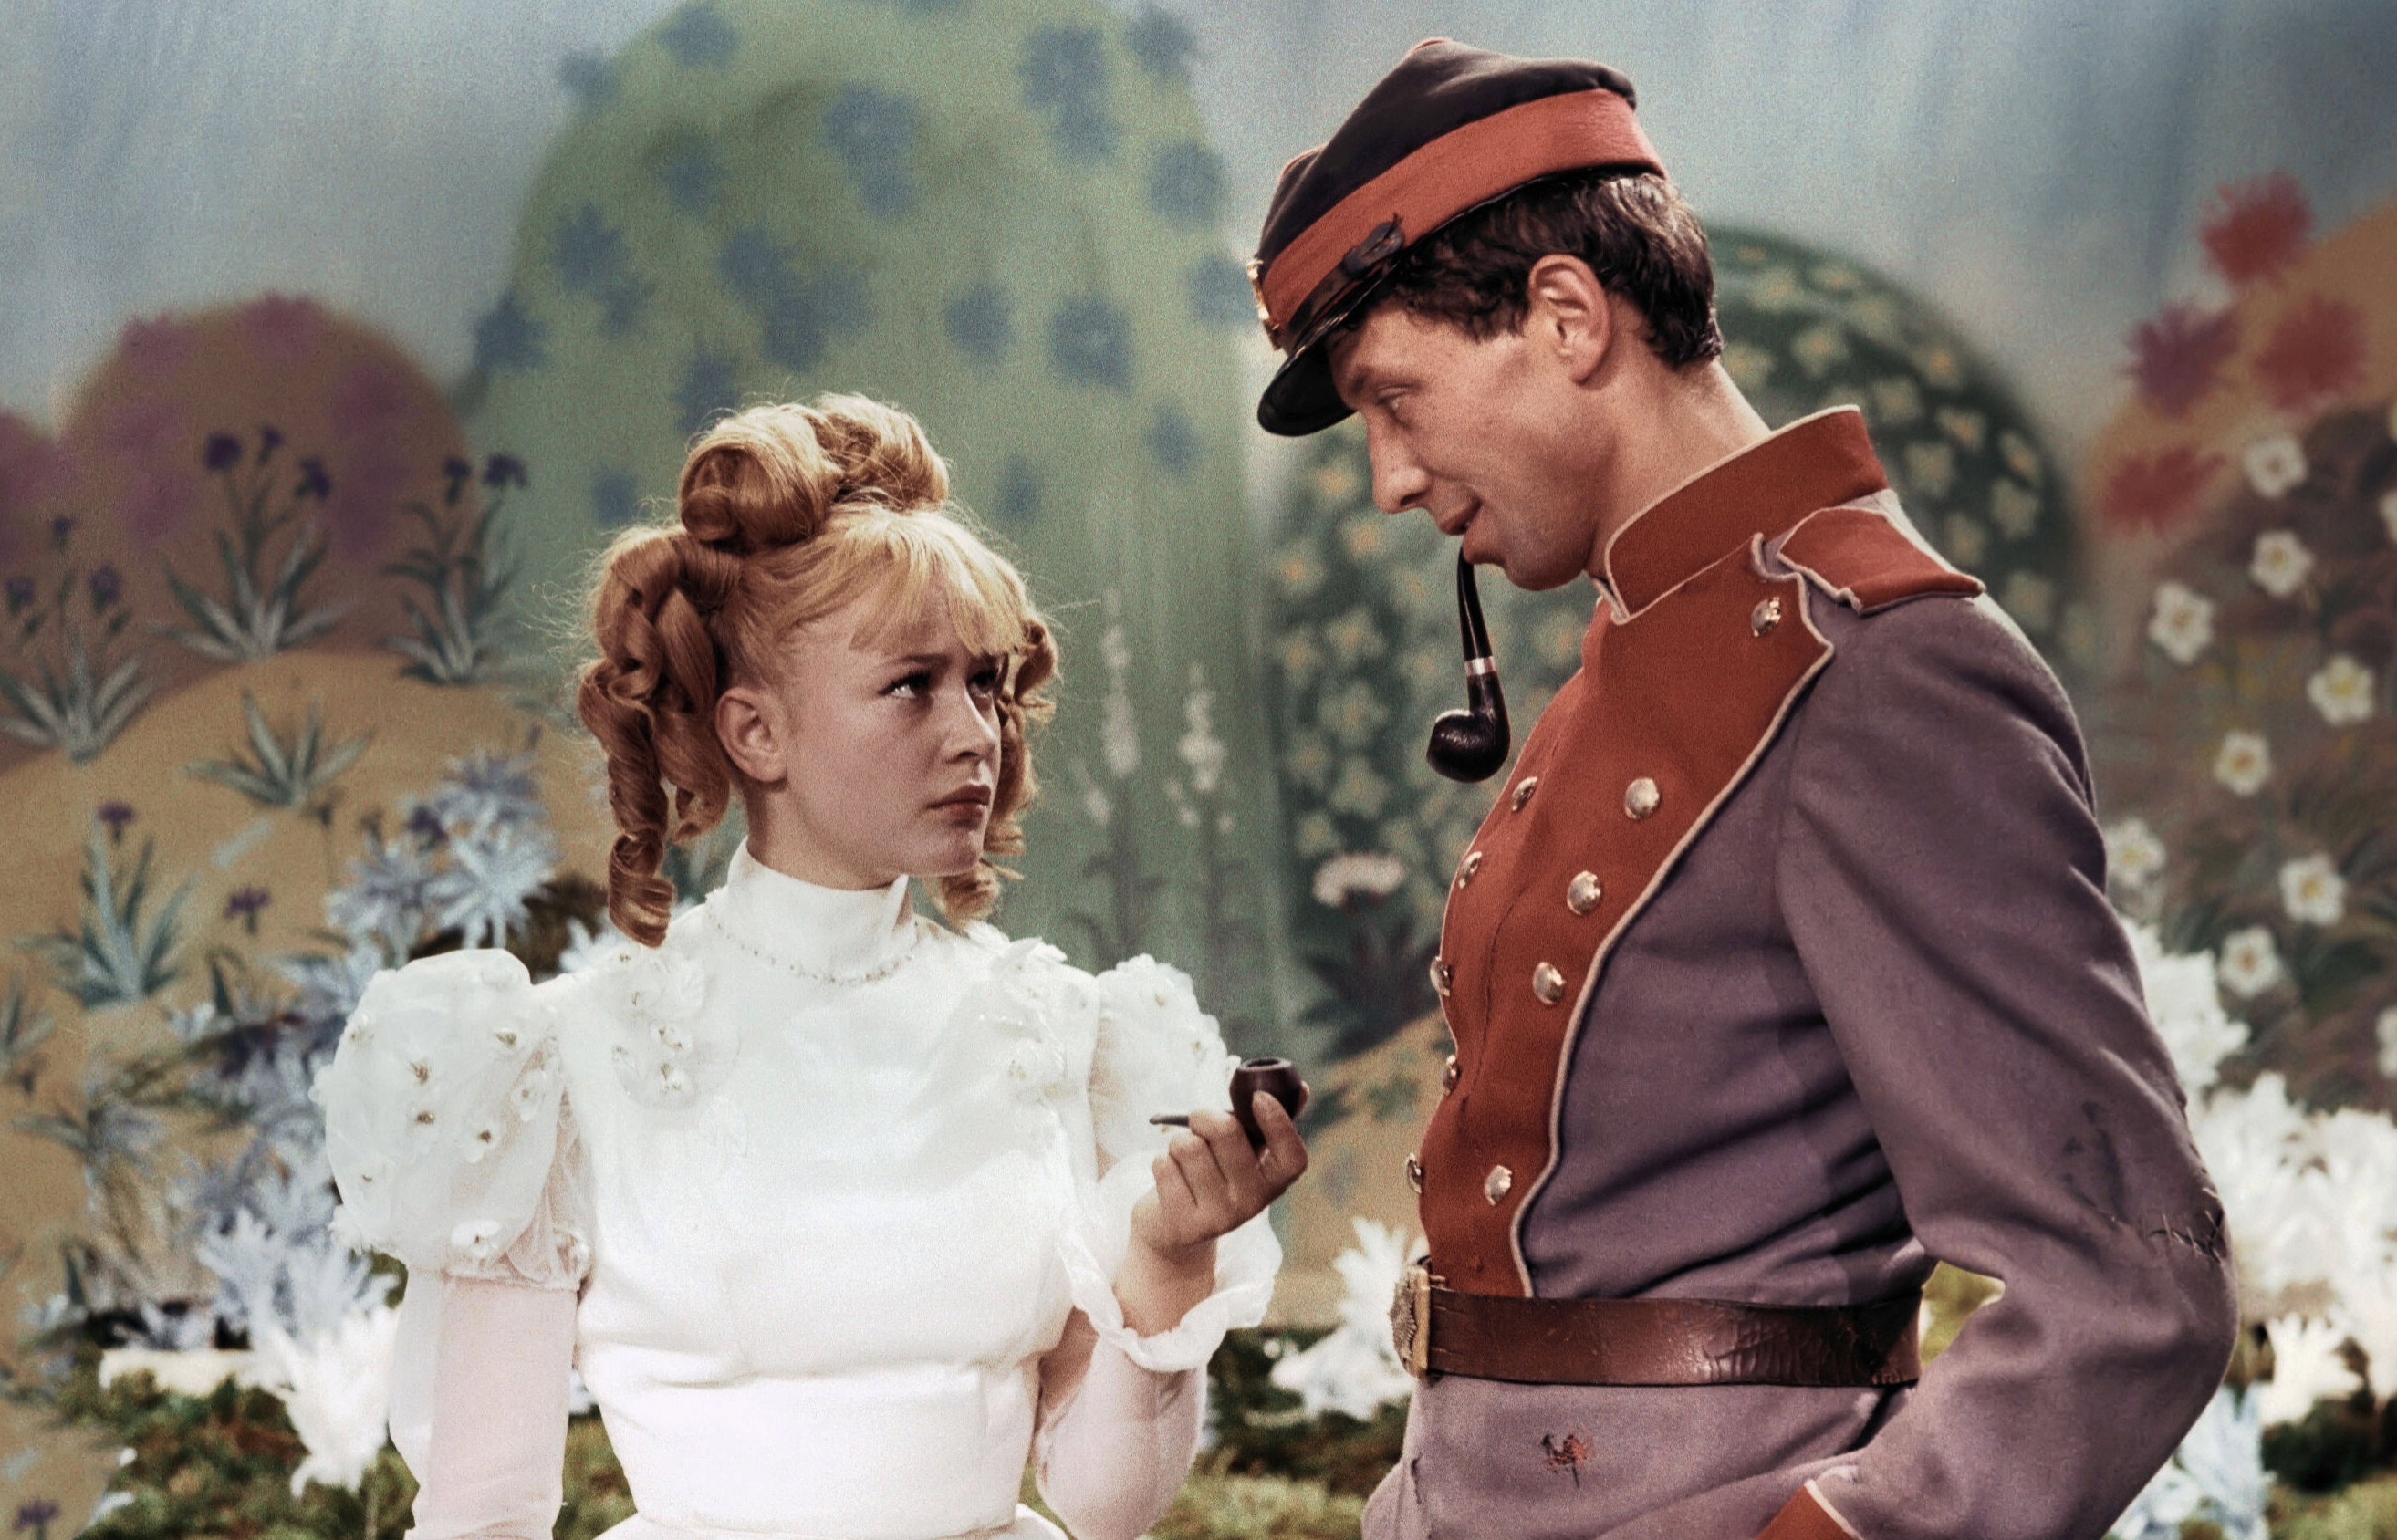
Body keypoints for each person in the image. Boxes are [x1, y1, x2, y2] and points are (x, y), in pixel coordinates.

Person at [1245, 39, 2236, 1540]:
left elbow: (2129, 1284)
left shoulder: (1880, 669)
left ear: (1566, 316)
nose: (1387, 476)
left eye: (1395, 398)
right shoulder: (1640, 645)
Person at [314, 395, 1304, 1540]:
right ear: (756, 731)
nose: (976, 732)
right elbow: (486, 1511)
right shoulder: (562, 1059)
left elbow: (1105, 1503)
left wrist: (1169, 1258)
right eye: (912, 683)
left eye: (985, 683)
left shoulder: (1063, 1033)